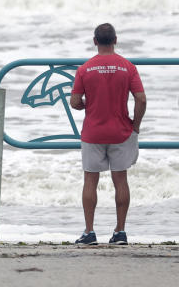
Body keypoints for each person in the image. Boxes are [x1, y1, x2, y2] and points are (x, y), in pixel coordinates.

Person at [70, 23, 146, 245]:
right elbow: (141, 98)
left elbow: (74, 101)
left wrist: (84, 105)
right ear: (115, 40)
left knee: (90, 180)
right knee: (120, 180)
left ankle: (89, 232)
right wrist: (136, 125)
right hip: (121, 131)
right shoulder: (128, 67)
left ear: (95, 41)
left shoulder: (85, 69)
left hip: (93, 132)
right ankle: (120, 231)